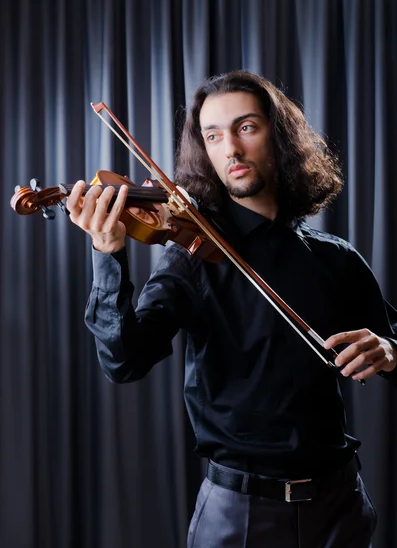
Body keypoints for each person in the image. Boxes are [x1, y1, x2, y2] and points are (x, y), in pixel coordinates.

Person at [67, 70, 397, 547]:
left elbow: (394, 343)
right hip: (240, 516)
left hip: (341, 507)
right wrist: (106, 253)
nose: (231, 150)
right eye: (213, 135)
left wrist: (388, 348)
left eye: (246, 127)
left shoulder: (335, 258)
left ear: (278, 135)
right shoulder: (191, 258)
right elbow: (124, 359)